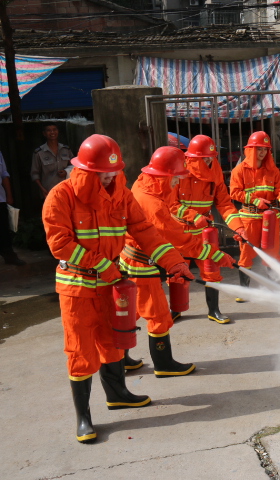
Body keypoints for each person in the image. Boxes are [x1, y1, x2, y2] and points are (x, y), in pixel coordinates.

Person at [42, 134, 194, 444]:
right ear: (85, 171)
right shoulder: (60, 197)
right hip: (77, 287)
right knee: (81, 350)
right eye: (103, 174)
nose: (110, 178)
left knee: (113, 341)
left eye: (113, 172)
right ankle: (83, 417)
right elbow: (60, 244)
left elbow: (145, 232)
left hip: (110, 284)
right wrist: (102, 265)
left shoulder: (122, 195)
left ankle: (118, 394)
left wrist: (175, 263)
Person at [120, 146, 236, 376]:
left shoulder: (147, 186)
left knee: (132, 312)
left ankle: (120, 358)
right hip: (142, 266)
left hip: (136, 261)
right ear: (165, 176)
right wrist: (213, 254)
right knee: (159, 316)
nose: (177, 185)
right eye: (176, 179)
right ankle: (164, 365)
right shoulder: (150, 202)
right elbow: (177, 237)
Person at [171, 134, 245, 324]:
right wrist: (193, 216)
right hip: (179, 230)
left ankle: (214, 310)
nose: (209, 161)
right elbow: (170, 203)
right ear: (193, 158)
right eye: (205, 158)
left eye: (211, 157)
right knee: (178, 270)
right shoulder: (178, 170)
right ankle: (176, 309)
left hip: (204, 233)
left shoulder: (215, 172)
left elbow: (225, 204)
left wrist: (239, 228)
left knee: (211, 269)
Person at [229, 131, 280, 299]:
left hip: (270, 219)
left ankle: (275, 288)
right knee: (246, 255)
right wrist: (255, 200)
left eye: (265, 149)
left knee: (272, 253)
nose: (263, 153)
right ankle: (245, 291)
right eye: (259, 149)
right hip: (249, 218)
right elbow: (234, 193)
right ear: (250, 150)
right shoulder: (240, 170)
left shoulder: (272, 170)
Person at [31, 123, 74, 199]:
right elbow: (35, 174)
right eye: (49, 130)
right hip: (49, 192)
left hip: (67, 191)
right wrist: (42, 189)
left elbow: (74, 166)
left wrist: (66, 172)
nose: (52, 132)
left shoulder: (66, 149)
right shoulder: (39, 153)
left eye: (54, 129)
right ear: (44, 133)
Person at [0, 151, 26, 266]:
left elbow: (4, 175)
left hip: (0, 198)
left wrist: (9, 195)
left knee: (4, 229)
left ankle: (9, 256)